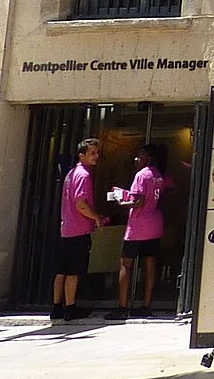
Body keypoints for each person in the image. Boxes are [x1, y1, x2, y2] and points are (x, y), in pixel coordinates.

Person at [107, 142, 169, 320]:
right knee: (150, 266)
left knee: (126, 264)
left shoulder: (141, 175)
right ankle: (146, 305)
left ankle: (122, 306)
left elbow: (139, 201)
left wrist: (121, 202)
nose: (136, 159)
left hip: (138, 227)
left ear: (148, 158)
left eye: (139, 156)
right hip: (154, 225)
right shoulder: (158, 175)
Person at [53, 138, 104, 322]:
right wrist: (96, 217)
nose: (96, 156)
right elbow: (81, 204)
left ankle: (57, 306)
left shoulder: (71, 174)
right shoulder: (83, 175)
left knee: (62, 270)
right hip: (78, 230)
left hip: (66, 228)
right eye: (92, 153)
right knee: (73, 271)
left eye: (97, 153)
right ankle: (70, 307)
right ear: (81, 155)